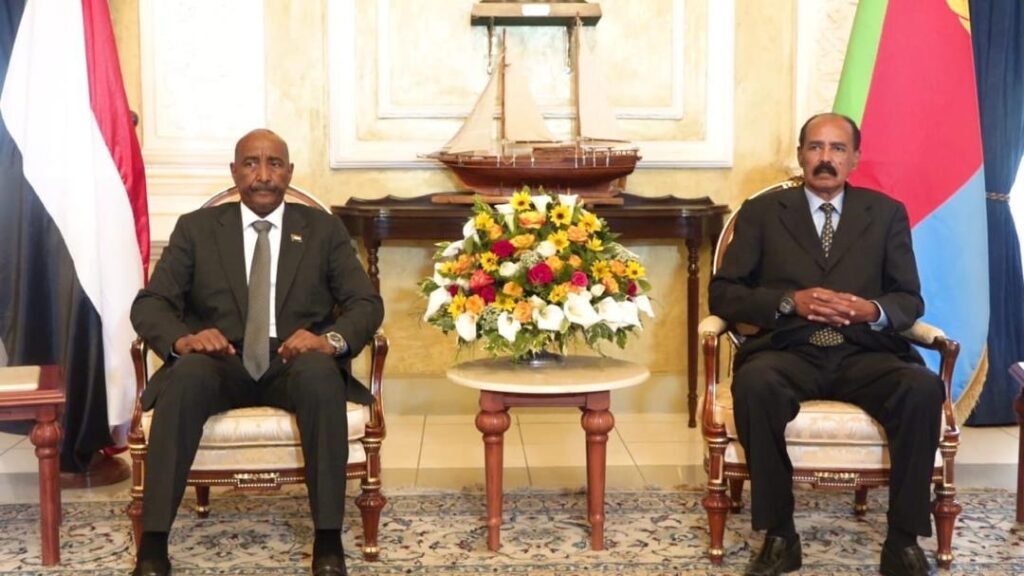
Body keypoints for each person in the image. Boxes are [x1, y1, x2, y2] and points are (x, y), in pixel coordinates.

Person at [129, 129, 384, 576]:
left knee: (321, 377)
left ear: (289, 172)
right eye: (251, 163)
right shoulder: (196, 229)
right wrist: (184, 341)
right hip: (220, 359)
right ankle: (153, 547)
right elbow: (150, 304)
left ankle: (328, 541)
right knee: (184, 377)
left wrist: (328, 341)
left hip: (293, 359)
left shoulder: (323, 230)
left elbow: (366, 303)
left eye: (274, 164)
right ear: (234, 172)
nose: (263, 175)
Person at [709, 113, 944, 576]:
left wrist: (870, 310)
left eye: (838, 149)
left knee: (921, 388)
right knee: (755, 384)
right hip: (788, 350)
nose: (825, 158)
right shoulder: (761, 212)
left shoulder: (886, 213)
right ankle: (780, 536)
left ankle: (903, 541)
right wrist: (788, 302)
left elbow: (909, 299)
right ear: (800, 155)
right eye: (815, 147)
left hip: (864, 352)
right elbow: (724, 294)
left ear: (855, 158)